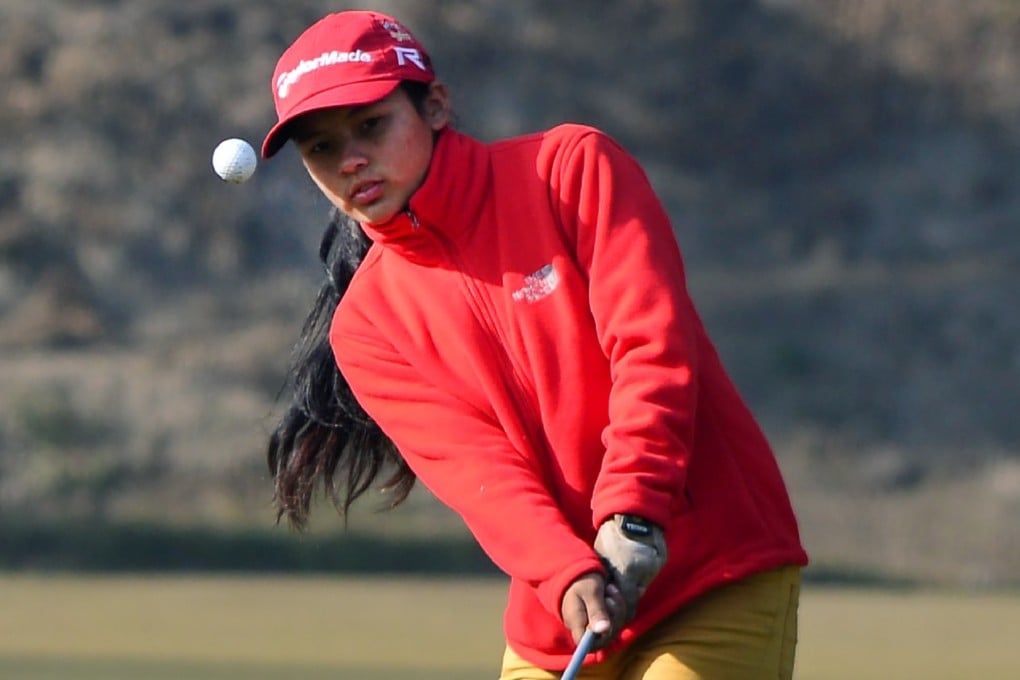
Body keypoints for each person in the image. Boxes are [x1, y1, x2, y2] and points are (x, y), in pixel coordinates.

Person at [262, 10, 808, 680]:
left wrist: (633, 510)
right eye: (321, 149)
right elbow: (481, 477)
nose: (349, 160)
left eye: (371, 126)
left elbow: (650, 348)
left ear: (434, 105)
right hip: (562, 614)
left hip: (710, 568)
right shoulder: (366, 326)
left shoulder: (570, 170)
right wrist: (563, 570)